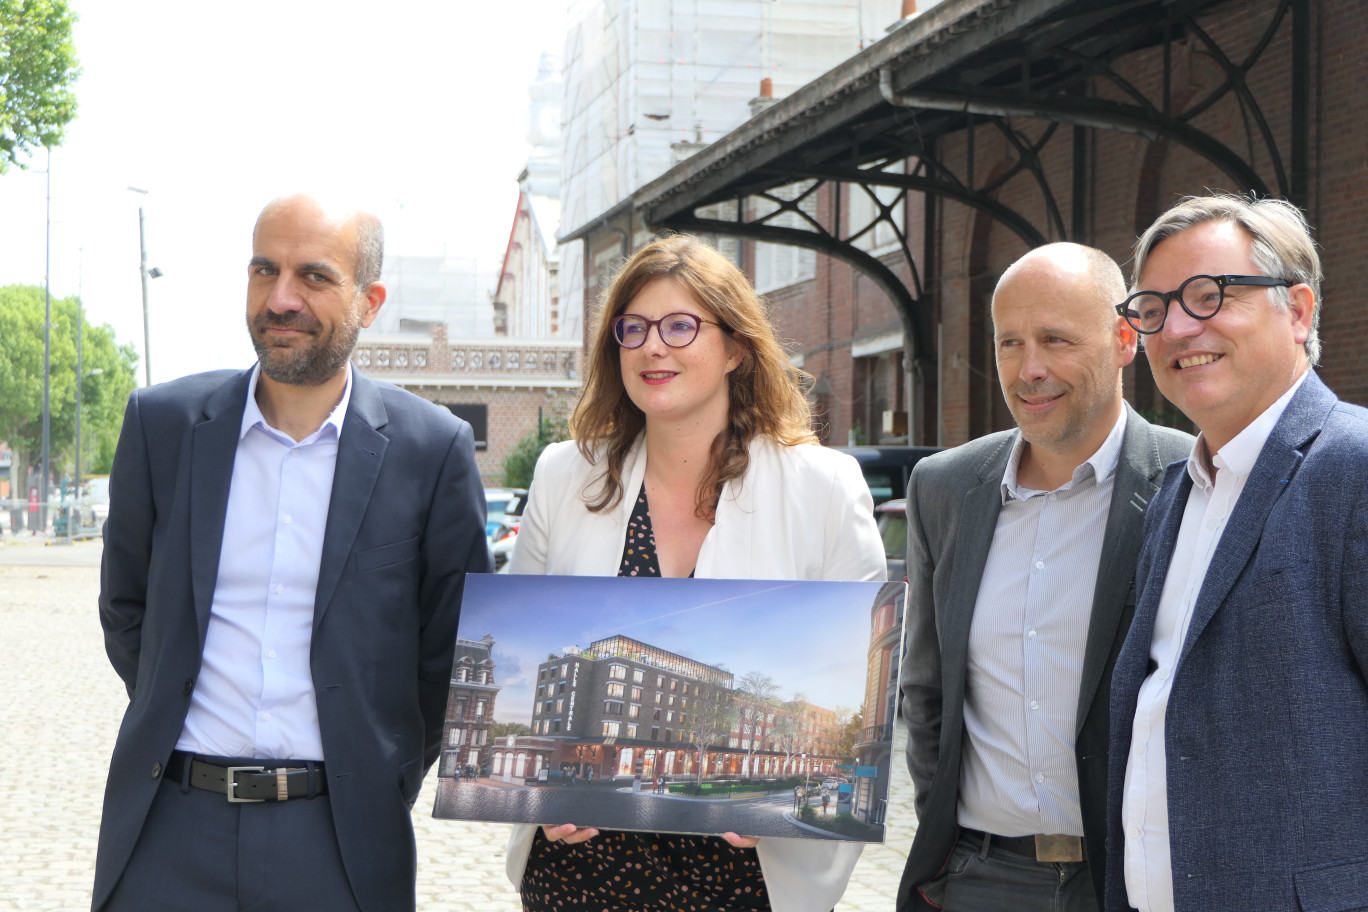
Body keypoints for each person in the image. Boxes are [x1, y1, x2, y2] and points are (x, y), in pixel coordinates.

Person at [92, 193, 491, 912]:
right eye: (263, 270)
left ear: (369, 300)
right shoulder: (163, 425)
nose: (281, 299)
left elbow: (453, 652)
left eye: (313, 276)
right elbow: (127, 611)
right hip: (169, 829)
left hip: (340, 839)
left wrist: (384, 770)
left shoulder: (433, 450)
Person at [505, 235, 886, 912]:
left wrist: (791, 804)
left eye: (681, 325)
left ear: (736, 347)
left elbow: (870, 685)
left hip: (744, 873)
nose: (654, 346)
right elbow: (523, 643)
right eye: (634, 328)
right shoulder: (564, 476)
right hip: (579, 870)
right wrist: (537, 793)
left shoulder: (823, 486)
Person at [897, 243, 1193, 912]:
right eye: (1010, 343)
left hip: (1132, 881)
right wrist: (944, 842)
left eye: (1055, 340)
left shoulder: (1191, 482)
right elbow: (926, 688)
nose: (1029, 370)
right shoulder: (943, 489)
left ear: (1123, 339)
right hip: (979, 880)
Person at [1105, 195, 1368, 911]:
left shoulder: (1354, 467)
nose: (1179, 327)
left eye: (1208, 295)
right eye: (1153, 307)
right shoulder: (1176, 492)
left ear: (1299, 311)